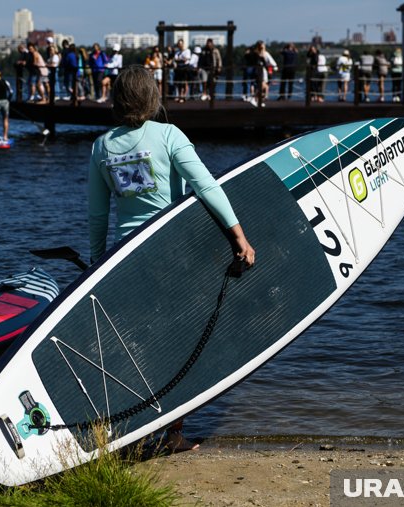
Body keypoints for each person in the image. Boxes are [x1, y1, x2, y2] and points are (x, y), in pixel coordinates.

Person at [88, 66, 256, 452]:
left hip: (124, 257)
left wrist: (97, 266)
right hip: (168, 253)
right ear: (152, 97)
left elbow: (97, 216)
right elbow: (206, 186)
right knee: (176, 342)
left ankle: (127, 430)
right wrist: (239, 236)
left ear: (117, 101)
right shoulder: (168, 136)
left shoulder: (101, 146)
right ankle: (173, 433)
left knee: (137, 345)